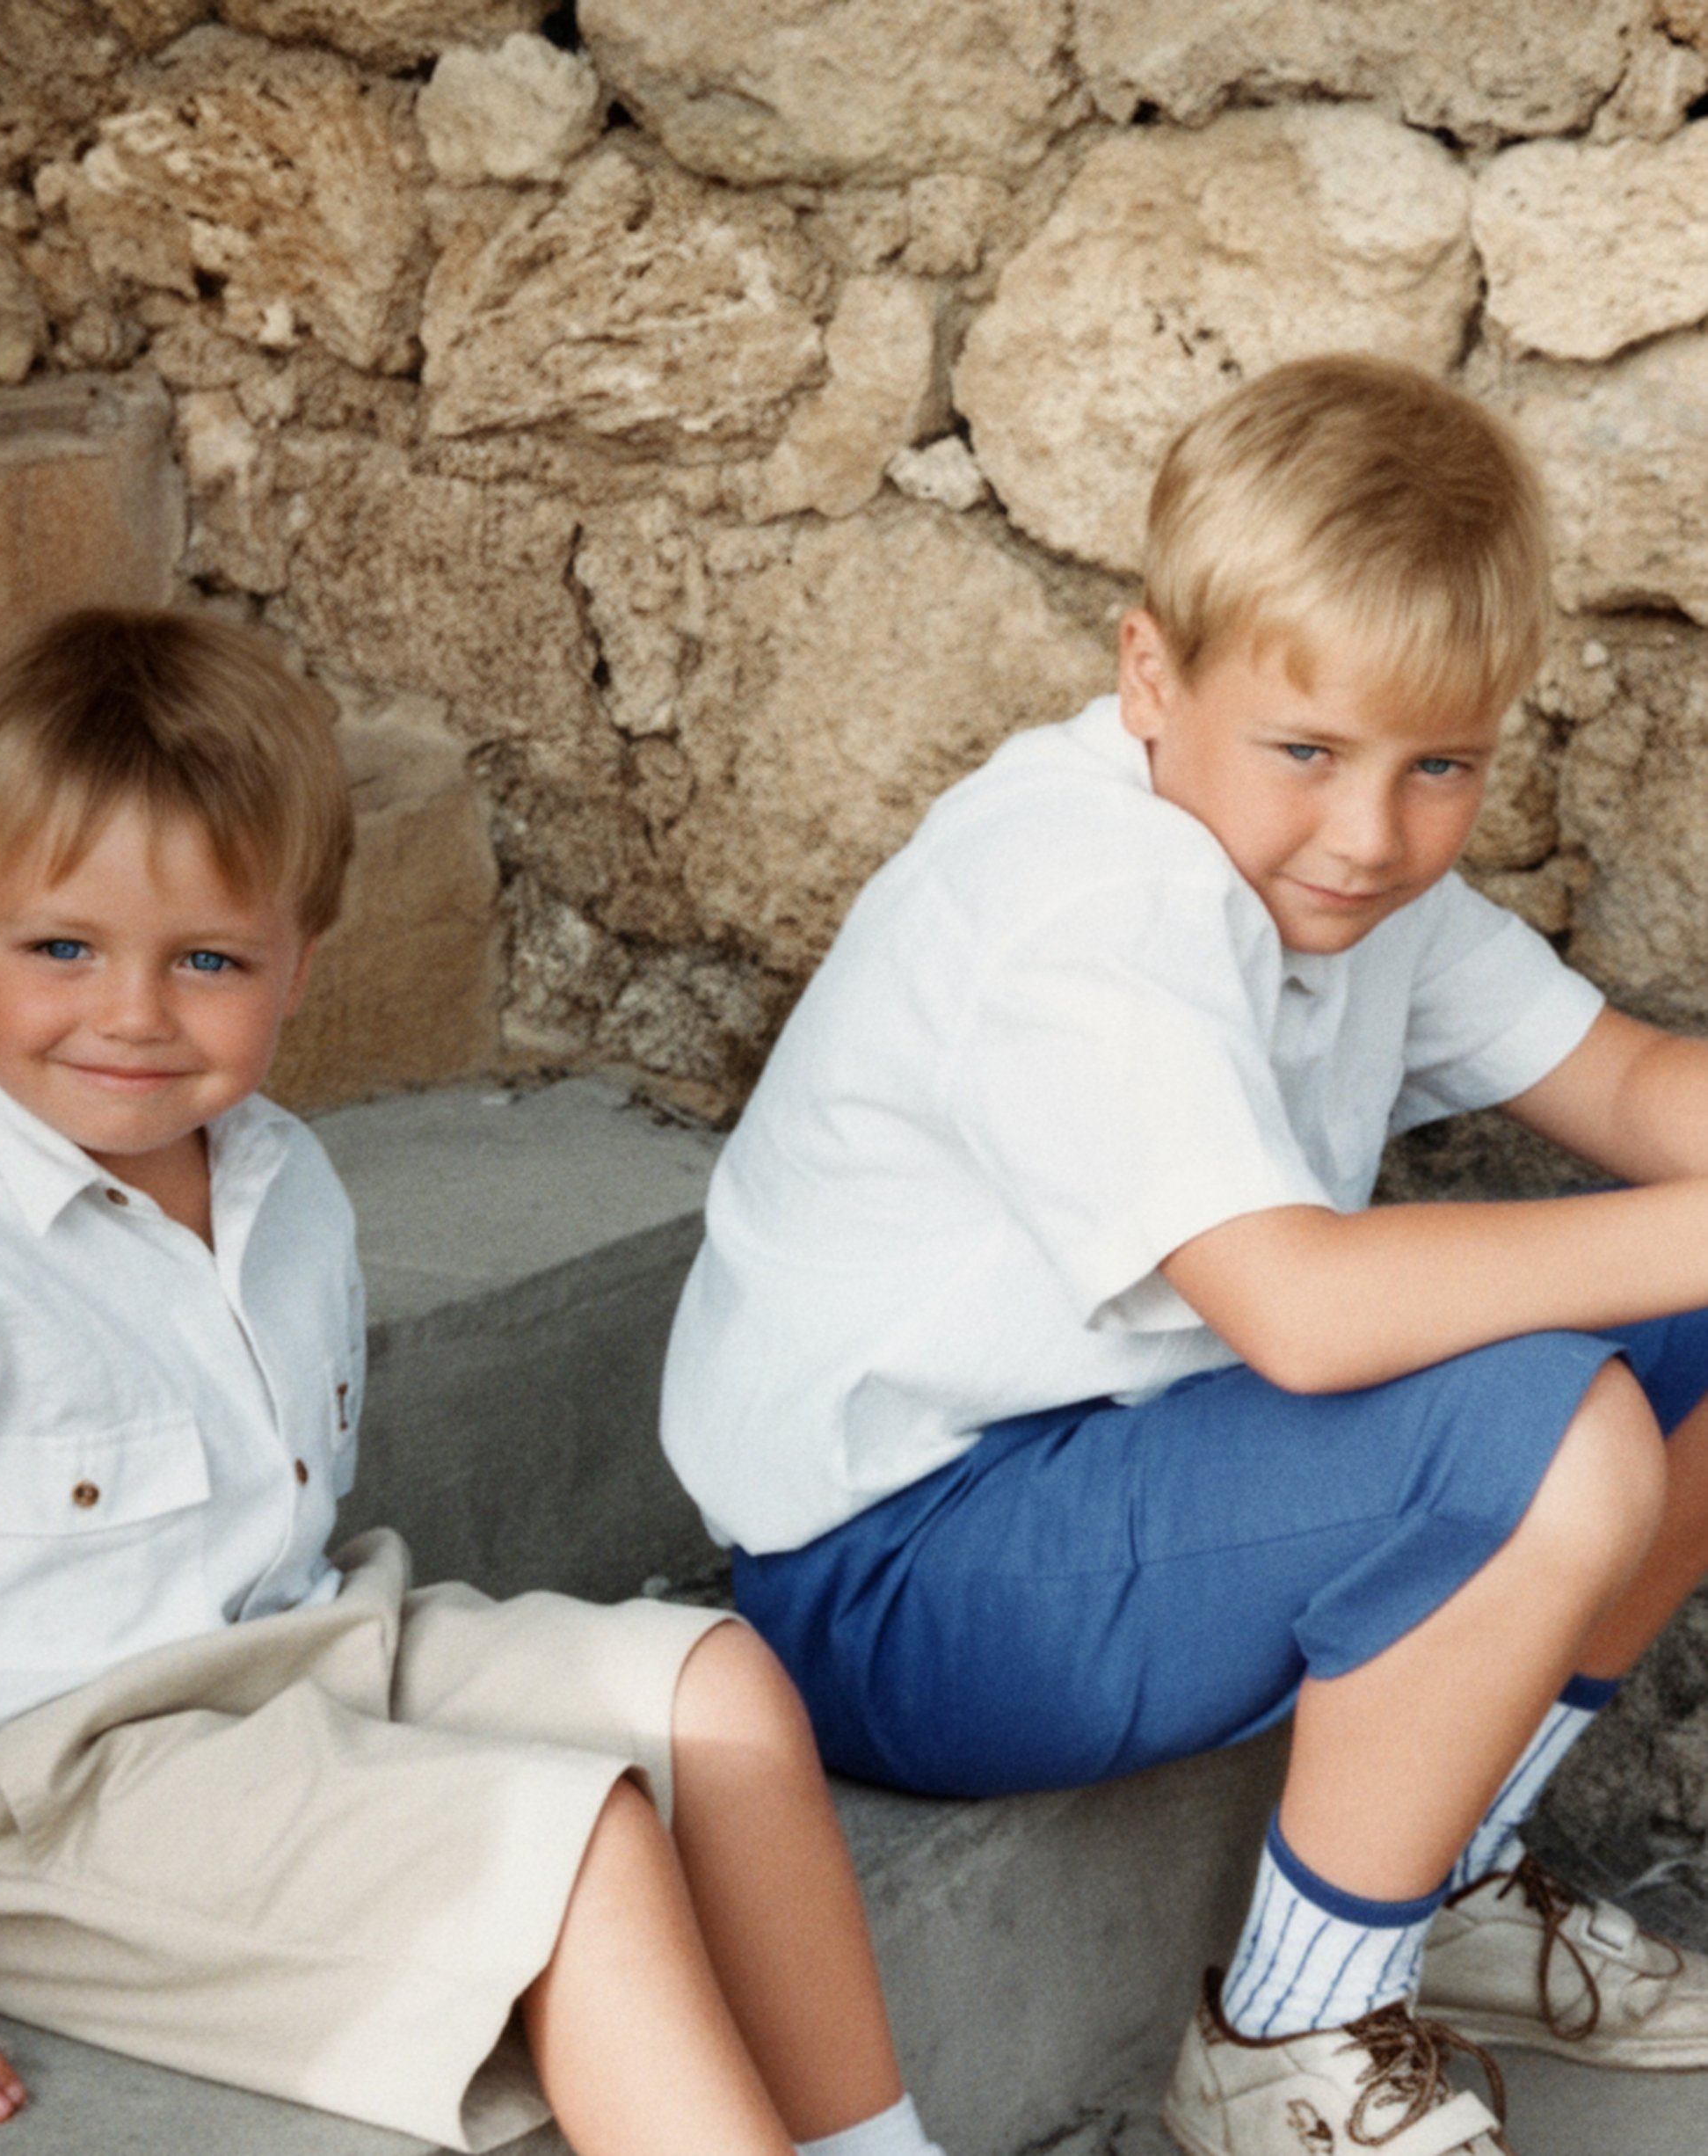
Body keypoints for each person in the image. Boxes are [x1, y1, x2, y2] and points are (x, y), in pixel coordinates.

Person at [0, 608, 948, 2156]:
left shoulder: (282, 1182)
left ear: (300, 961)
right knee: (580, 1841)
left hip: (303, 1662)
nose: (134, 1014)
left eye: (207, 958)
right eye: (61, 948)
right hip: (49, 1802)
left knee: (723, 1689)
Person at [658, 353, 1708, 2156]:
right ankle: (1278, 2040)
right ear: (1150, 673)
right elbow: (1296, 1311)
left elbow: (1622, 1082)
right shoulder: (1083, 894)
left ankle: (1430, 1878)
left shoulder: (1338, 871)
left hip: (1111, 1487)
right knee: (1552, 1431)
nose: (1370, 833)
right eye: (1304, 750)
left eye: (1436, 765)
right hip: (891, 1573)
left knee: (1673, 1323)